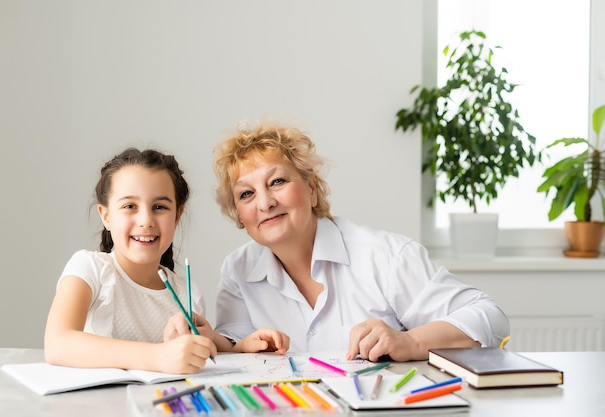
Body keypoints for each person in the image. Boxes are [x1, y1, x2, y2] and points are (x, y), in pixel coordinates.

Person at [211, 122, 510, 362]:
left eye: (277, 181)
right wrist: (208, 338)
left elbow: (489, 317)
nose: (265, 203)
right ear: (239, 214)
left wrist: (410, 340)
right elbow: (234, 346)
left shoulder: (385, 256)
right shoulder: (237, 271)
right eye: (246, 194)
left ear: (312, 188)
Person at [44, 148, 289, 375]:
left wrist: (240, 349)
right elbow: (58, 343)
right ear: (106, 217)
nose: (146, 220)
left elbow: (200, 349)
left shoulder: (186, 293)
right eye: (130, 206)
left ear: (177, 215)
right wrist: (157, 356)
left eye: (159, 206)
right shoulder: (89, 269)